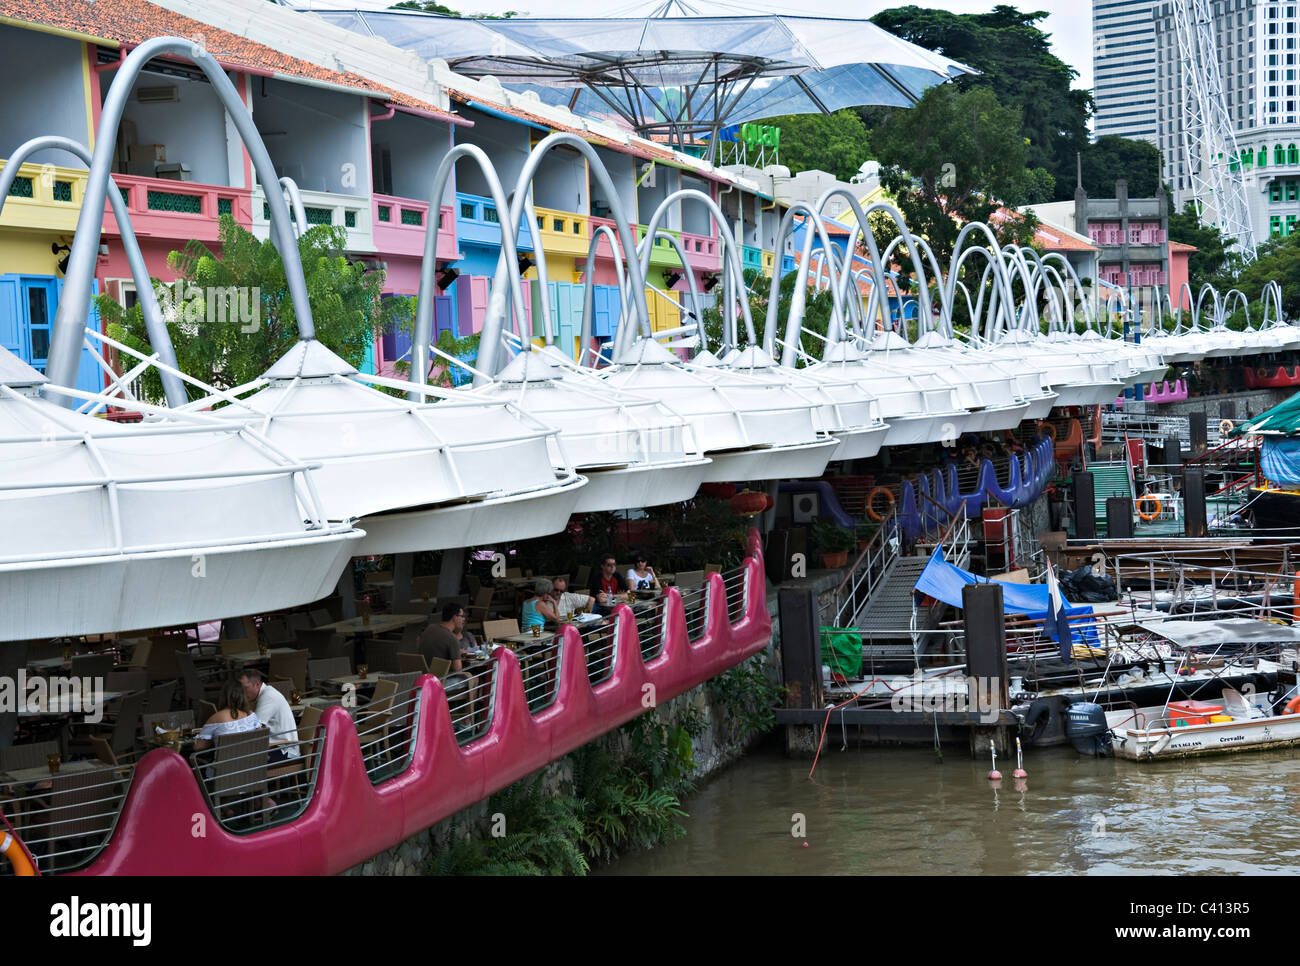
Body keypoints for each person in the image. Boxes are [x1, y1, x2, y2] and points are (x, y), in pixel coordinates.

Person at [238, 668, 299, 762]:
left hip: (285, 750)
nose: (242, 693)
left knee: (240, 760)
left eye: (245, 688)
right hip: (272, 745)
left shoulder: (268, 696)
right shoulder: (257, 696)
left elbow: (254, 728)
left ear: (257, 684)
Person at [194, 677, 263, 753]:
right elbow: (260, 740)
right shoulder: (251, 715)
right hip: (253, 763)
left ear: (223, 696)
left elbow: (198, 747)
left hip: (225, 764)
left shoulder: (216, 718)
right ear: (243, 695)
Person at [417, 603, 466, 671]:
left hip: (425, 676)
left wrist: (456, 652)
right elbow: (457, 669)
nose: (463, 619)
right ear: (455, 617)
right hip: (442, 678)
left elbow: (437, 649)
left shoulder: (429, 628)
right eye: (462, 616)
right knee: (474, 678)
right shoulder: (452, 638)